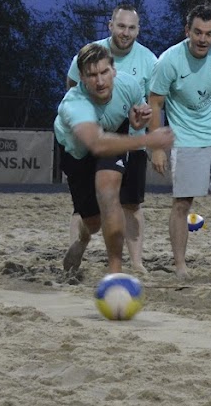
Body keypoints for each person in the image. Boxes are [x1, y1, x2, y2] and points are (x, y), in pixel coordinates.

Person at [147, 4, 211, 278]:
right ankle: (180, 265)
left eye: (209, 33)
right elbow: (155, 103)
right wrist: (156, 147)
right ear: (187, 31)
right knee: (182, 204)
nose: (203, 39)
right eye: (198, 32)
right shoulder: (168, 61)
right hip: (185, 138)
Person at [56, 42, 174, 275]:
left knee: (110, 193)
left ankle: (115, 272)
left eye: (104, 72)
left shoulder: (128, 85)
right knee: (92, 222)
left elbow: (134, 114)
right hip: (77, 151)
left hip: (113, 136)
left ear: (114, 70)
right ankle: (82, 240)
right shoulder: (74, 104)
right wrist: (148, 141)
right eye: (92, 75)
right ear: (81, 78)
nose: (100, 81)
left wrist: (138, 119)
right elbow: (97, 144)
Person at [64, 4, 158, 272]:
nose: (125, 32)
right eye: (121, 26)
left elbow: (153, 101)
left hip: (133, 138)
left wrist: (146, 124)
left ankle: (136, 263)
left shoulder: (149, 60)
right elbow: (72, 87)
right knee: (85, 206)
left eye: (131, 27)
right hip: (94, 139)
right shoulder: (90, 53)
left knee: (131, 202)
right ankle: (78, 251)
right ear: (110, 26)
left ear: (138, 29)